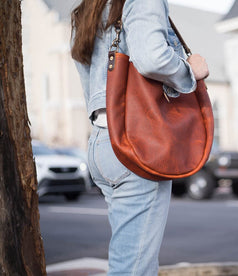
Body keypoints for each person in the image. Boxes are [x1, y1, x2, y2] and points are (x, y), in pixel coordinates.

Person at [70, 0, 209, 275]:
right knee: (134, 268)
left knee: (130, 259)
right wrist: (189, 71)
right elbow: (152, 57)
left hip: (102, 142)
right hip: (137, 145)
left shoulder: (88, 8)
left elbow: (88, 78)